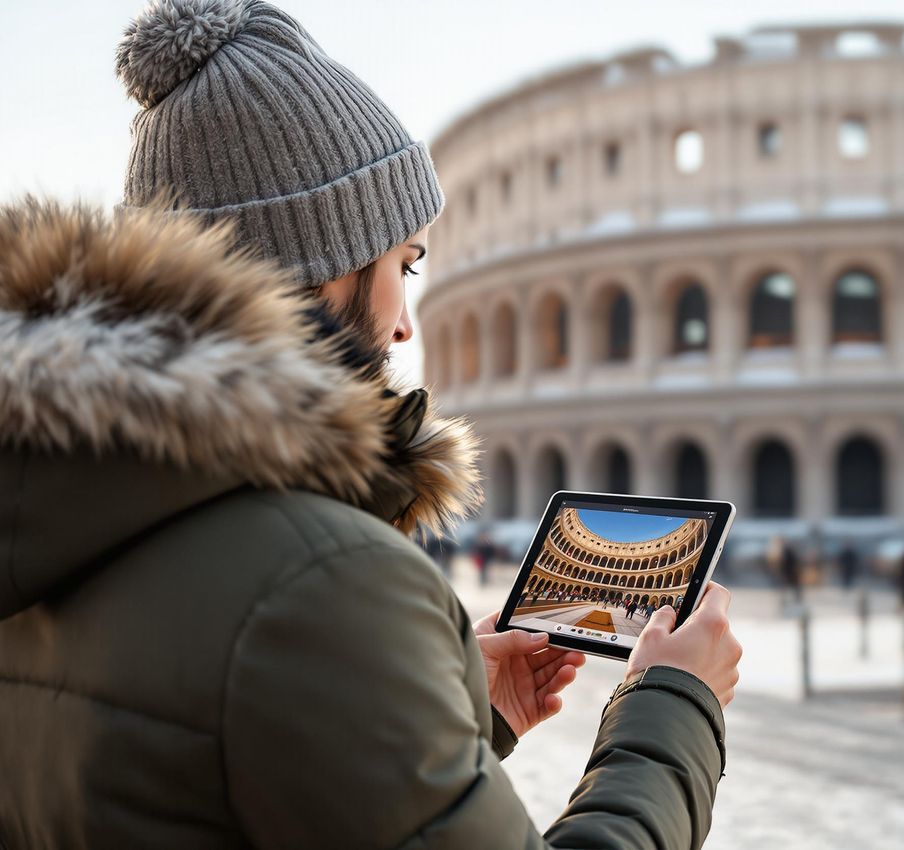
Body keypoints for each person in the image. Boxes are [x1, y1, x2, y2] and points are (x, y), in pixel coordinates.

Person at [0, 2, 742, 846]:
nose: (404, 327)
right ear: (318, 269)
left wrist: (461, 715)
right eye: (403, 263)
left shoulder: (52, 514)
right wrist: (672, 707)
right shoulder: (321, 581)